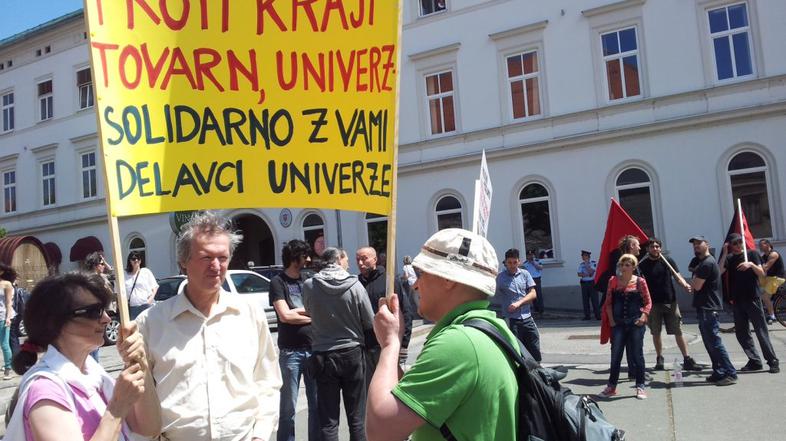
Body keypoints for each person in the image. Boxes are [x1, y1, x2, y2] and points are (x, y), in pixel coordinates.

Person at [135, 212, 282, 441]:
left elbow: (267, 381)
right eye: (206, 257)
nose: (216, 266)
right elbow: (140, 395)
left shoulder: (250, 314)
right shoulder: (151, 322)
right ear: (183, 261)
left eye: (222, 258)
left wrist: (261, 435)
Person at [366, 228, 519, 440]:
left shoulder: (459, 344)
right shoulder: (490, 329)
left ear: (449, 279)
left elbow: (380, 430)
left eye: (422, 274)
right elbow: (408, 398)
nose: (416, 285)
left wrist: (390, 344)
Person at [4, 272, 160, 440]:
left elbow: (149, 428)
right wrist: (117, 407)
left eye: (105, 310)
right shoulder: (45, 391)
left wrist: (140, 362)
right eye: (94, 311)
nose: (107, 318)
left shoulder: (95, 376)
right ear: (55, 322)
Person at [304, 247, 375, 441]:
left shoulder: (310, 285)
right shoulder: (355, 285)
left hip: (323, 354)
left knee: (328, 421)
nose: (349, 264)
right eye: (346, 259)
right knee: (357, 418)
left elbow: (309, 311)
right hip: (352, 352)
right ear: (339, 259)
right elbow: (369, 320)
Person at [269, 239, 318, 441]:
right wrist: (311, 316)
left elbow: (313, 308)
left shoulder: (307, 280)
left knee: (316, 405)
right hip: (291, 353)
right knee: (288, 408)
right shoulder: (278, 282)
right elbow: (285, 316)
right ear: (293, 257)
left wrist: (297, 311)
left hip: (313, 349)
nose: (307, 260)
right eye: (304, 256)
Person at [637, 238, 701, 371]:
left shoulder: (667, 261)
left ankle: (687, 359)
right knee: (656, 332)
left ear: (660, 248)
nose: (655, 249)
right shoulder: (642, 264)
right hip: (653, 304)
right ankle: (659, 358)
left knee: (678, 331)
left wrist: (685, 285)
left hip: (670, 302)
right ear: (648, 249)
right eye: (652, 247)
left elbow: (677, 276)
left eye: (657, 246)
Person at [720, 233, 779, 373]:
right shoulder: (730, 258)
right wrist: (724, 253)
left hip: (752, 298)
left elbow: (761, 273)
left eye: (740, 242)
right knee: (741, 333)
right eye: (735, 243)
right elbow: (720, 270)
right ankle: (754, 360)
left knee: (760, 331)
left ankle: (772, 361)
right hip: (737, 300)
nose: (738, 245)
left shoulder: (752, 254)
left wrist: (751, 264)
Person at [598, 254, 652, 400]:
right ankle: (611, 386)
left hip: (635, 323)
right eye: (622, 264)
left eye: (627, 265)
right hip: (618, 323)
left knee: (637, 355)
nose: (624, 267)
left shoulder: (640, 282)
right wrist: (612, 321)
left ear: (634, 267)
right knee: (615, 356)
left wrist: (643, 316)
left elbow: (648, 302)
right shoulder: (613, 281)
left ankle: (640, 386)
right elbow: (608, 302)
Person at [688, 236, 737, 385]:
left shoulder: (706, 263)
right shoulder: (704, 263)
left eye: (699, 243)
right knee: (710, 343)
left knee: (714, 342)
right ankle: (719, 371)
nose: (696, 246)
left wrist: (694, 276)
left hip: (708, 307)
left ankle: (730, 373)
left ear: (707, 244)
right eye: (694, 244)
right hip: (705, 307)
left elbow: (696, 286)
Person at [356, 247, 411, 373]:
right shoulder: (357, 284)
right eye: (357, 259)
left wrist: (404, 343)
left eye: (364, 259)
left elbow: (405, 310)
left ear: (375, 259)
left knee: (389, 383)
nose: (360, 263)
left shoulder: (390, 281)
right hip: (365, 345)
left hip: (387, 344)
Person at [492, 248, 541, 361]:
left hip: (527, 317)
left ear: (519, 262)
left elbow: (533, 293)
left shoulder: (525, 274)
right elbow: (491, 291)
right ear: (505, 262)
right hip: (511, 320)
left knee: (534, 346)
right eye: (509, 262)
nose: (512, 265)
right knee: (516, 350)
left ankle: (537, 372)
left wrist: (519, 303)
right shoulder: (500, 277)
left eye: (515, 262)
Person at [124, 251, 158, 320]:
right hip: (133, 307)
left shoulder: (145, 271)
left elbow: (155, 287)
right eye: (133, 259)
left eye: (138, 258)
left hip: (146, 305)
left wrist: (150, 300)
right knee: (135, 329)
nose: (136, 260)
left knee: (149, 328)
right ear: (130, 261)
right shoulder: (125, 274)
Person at [759, 239, 785, 324]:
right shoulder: (764, 256)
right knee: (757, 288)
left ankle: (772, 315)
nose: (759, 246)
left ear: (767, 244)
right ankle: (766, 305)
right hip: (769, 278)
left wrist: (757, 266)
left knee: (765, 297)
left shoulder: (773, 254)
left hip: (777, 278)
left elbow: (765, 267)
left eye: (761, 244)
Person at [0, 263, 16, 380]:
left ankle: (8, 369)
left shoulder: (6, 284)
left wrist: (8, 318)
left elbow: (9, 302)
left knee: (5, 344)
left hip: (2, 316)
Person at [577, 250, 601, 320]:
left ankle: (598, 316)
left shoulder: (593, 263)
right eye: (582, 256)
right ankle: (587, 316)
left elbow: (591, 272)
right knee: (585, 300)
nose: (583, 257)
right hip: (584, 283)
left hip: (592, 283)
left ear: (588, 256)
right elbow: (579, 274)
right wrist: (586, 274)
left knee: (594, 300)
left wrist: (587, 265)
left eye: (584, 256)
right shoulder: (581, 264)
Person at [522, 250, 544, 315]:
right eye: (529, 255)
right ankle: (536, 309)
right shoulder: (525, 263)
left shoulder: (537, 261)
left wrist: (533, 263)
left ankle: (541, 309)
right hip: (529, 280)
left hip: (537, 279)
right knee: (532, 295)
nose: (530, 256)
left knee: (539, 294)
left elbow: (540, 268)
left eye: (531, 255)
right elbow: (523, 271)